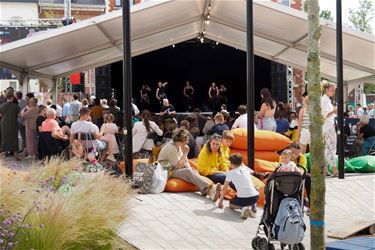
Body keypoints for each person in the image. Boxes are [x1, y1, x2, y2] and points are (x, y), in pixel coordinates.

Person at [157, 128, 221, 201]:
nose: (187, 142)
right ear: (181, 140)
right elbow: (178, 166)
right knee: (188, 171)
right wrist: (185, 153)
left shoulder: (178, 146)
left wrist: (190, 168)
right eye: (186, 140)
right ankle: (210, 188)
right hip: (166, 171)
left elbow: (185, 161)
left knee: (193, 171)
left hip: (173, 169)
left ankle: (205, 190)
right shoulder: (171, 148)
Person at [218, 153, 258, 219]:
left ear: (230, 164)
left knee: (231, 204)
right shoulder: (245, 169)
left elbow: (224, 189)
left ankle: (243, 208)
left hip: (244, 198)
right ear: (241, 162)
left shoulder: (230, 173)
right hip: (255, 196)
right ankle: (253, 208)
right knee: (249, 191)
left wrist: (220, 201)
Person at [321, 80, 338, 177]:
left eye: (334, 90)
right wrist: (335, 110)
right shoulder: (325, 100)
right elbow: (325, 115)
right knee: (331, 148)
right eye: (332, 90)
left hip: (328, 126)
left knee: (328, 148)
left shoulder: (326, 99)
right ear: (327, 90)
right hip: (328, 127)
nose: (333, 92)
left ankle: (326, 169)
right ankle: (334, 169)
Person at [0, 88, 20, 159]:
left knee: (4, 138)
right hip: (13, 124)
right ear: (12, 97)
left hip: (4, 124)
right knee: (14, 138)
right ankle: (15, 156)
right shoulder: (16, 106)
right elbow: (19, 115)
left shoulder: (2, 105)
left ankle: (2, 156)